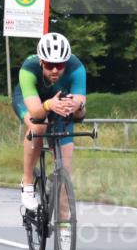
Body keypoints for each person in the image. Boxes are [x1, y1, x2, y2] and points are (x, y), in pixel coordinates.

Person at [12, 32, 86, 212]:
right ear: (41, 62)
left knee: (65, 172)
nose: (55, 70)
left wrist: (77, 106)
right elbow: (37, 112)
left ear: (66, 63)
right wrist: (48, 104)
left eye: (59, 65)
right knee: (39, 126)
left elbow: (80, 115)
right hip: (32, 100)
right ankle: (28, 181)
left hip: (59, 103)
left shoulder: (76, 68)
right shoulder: (28, 69)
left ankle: (64, 225)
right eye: (50, 65)